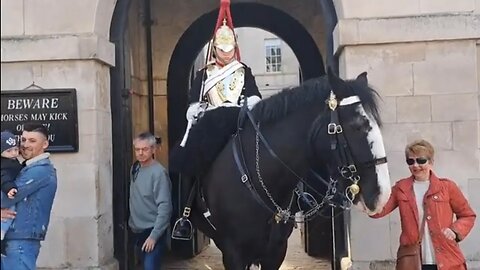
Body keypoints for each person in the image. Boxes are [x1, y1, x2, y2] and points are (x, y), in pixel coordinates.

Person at [172, 0, 262, 240]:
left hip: (238, 118)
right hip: (211, 121)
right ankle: (186, 213)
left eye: (229, 48)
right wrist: (194, 110)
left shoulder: (244, 71)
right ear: (215, 49)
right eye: (222, 49)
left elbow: (254, 96)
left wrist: (250, 102)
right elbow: (193, 102)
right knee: (190, 161)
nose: (226, 53)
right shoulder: (203, 75)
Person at [370, 139, 476, 270]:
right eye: (410, 161)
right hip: (412, 261)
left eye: (421, 160)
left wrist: (455, 231)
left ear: (431, 162)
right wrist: (362, 194)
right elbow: (379, 211)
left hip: (447, 259)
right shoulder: (401, 188)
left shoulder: (447, 187)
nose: (415, 165)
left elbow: (467, 215)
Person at [1, 123, 57, 269]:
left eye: (32, 141)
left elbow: (6, 198)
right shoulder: (23, 167)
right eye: (24, 140)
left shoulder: (40, 171)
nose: (25, 145)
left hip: (20, 242)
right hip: (13, 240)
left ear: (45, 144)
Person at [129, 132, 172, 270]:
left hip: (152, 231)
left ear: (153, 149)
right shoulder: (134, 168)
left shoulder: (159, 173)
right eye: (137, 149)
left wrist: (154, 236)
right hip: (136, 231)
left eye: (145, 149)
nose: (140, 153)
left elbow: (165, 207)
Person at [1, 131, 23, 242]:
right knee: (8, 212)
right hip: (5, 190)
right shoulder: (4, 164)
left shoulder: (12, 161)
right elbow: (3, 177)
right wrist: (9, 188)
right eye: (9, 151)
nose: (14, 153)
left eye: (15, 149)